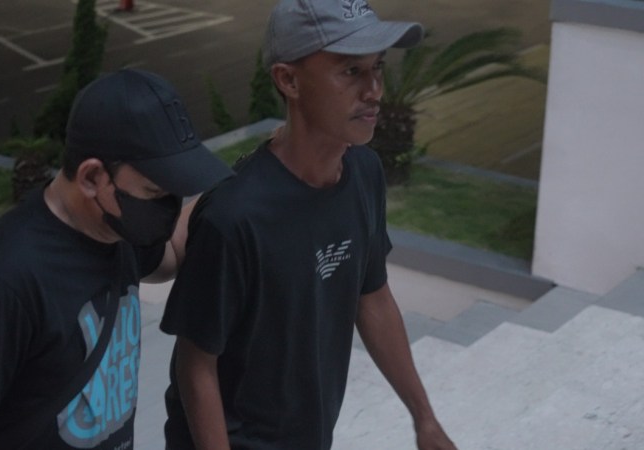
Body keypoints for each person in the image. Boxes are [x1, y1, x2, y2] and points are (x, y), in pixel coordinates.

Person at [159, 1, 457, 449]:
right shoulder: (235, 216)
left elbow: (373, 298)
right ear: (289, 80)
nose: (375, 90)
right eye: (351, 71)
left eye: (377, 67)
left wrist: (425, 419)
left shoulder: (365, 174)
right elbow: (195, 366)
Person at [0, 68, 233, 449]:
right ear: (91, 177)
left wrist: (254, 172)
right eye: (155, 191)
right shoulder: (2, 278)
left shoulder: (119, 227)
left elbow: (172, 252)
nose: (167, 206)